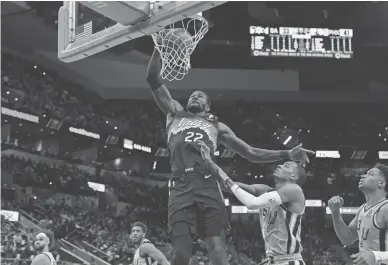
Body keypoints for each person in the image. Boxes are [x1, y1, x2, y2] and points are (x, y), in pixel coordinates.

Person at [146, 48, 315, 265]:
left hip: (208, 183)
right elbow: (152, 77)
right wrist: (159, 47)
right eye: (191, 95)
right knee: (181, 251)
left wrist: (285, 153)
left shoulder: (218, 127)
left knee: (217, 249)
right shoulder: (174, 113)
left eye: (200, 96)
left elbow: (251, 153)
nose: (194, 96)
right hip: (180, 186)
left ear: (207, 106)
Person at [198, 140, 307, 265]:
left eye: (286, 166)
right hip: (271, 260)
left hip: (290, 260)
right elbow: (227, 186)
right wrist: (207, 165)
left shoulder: (294, 190)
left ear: (294, 177)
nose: (279, 166)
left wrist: (214, 166)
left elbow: (252, 203)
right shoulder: (264, 190)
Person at [328, 163, 388, 265]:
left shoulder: (385, 209)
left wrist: (376, 256)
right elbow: (347, 238)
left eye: (370, 174)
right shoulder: (362, 209)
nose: (363, 176)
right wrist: (335, 212)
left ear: (381, 183)